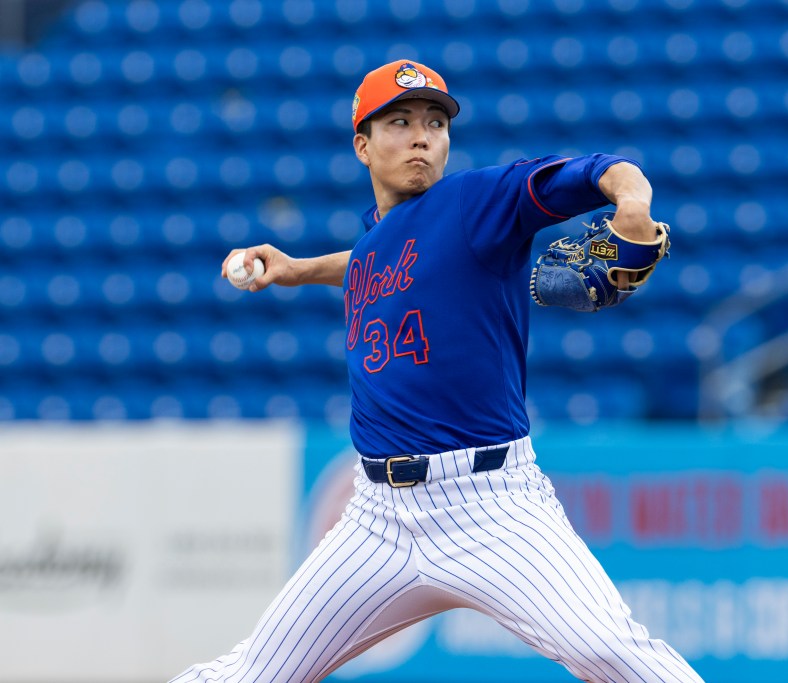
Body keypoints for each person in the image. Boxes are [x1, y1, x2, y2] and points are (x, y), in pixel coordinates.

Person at [171, 59, 703, 683]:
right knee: (251, 673)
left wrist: (633, 205)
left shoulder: (477, 203)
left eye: (434, 122)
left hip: (493, 509)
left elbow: (599, 171)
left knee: (611, 652)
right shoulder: (378, 238)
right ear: (362, 146)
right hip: (375, 521)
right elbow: (383, 257)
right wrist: (299, 268)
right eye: (399, 122)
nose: (422, 135)